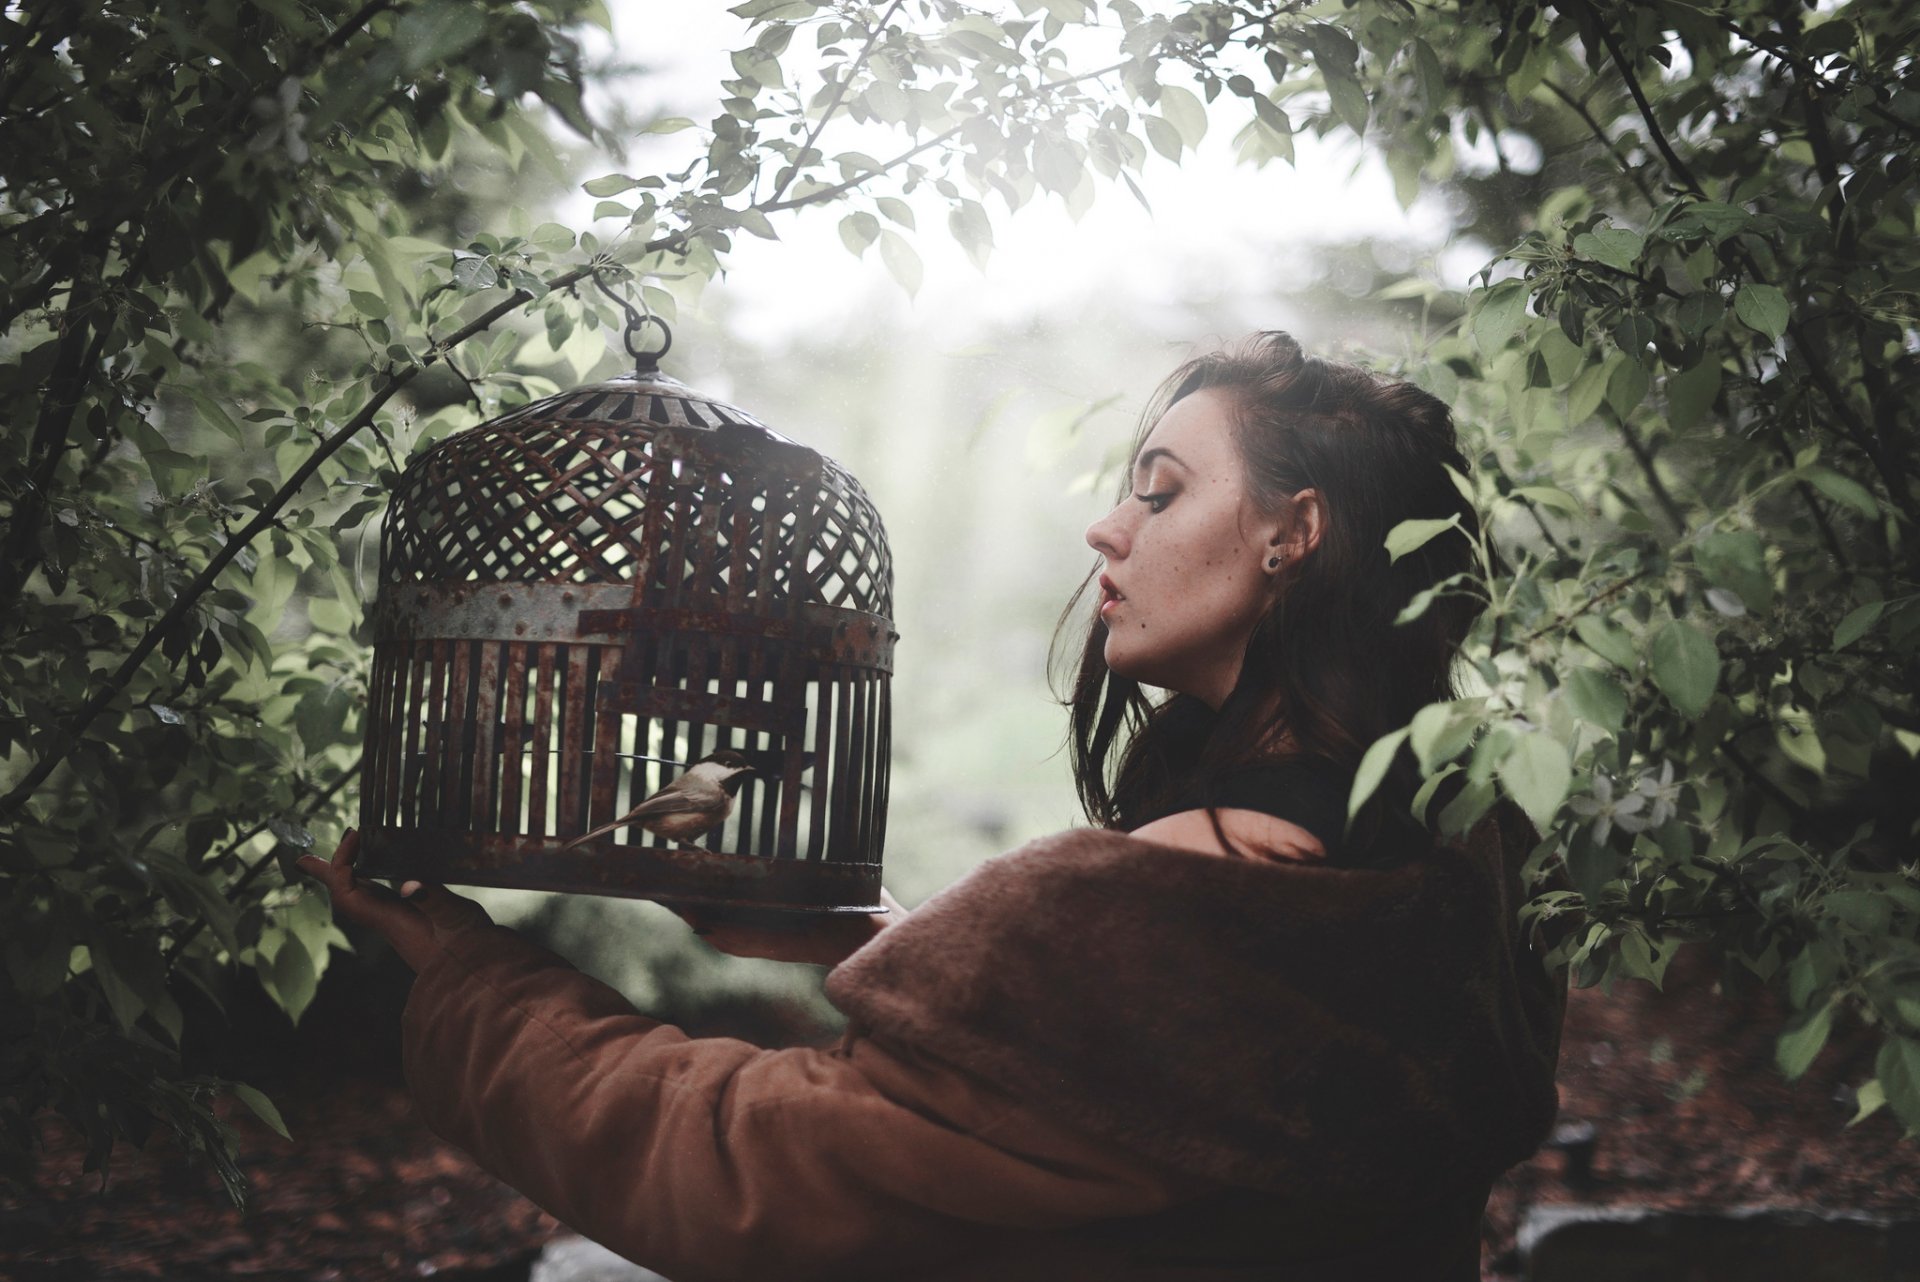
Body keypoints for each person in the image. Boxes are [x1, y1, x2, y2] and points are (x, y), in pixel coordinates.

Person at [301, 331, 1565, 1281]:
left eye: (1161, 489)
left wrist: (466, 969)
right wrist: (882, 941)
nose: (1106, 528)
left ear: (1294, 534)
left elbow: (741, 1169)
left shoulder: (1161, 902)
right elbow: (1131, 1096)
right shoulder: (1456, 856)